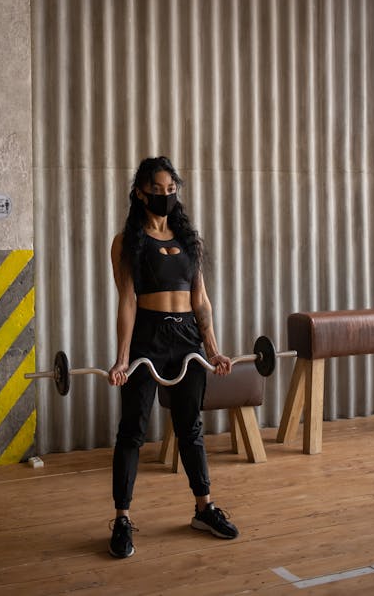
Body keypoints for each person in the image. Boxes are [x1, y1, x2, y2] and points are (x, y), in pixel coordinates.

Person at [108, 156, 239, 558]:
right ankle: (123, 518)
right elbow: (127, 301)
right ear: (139, 193)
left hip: (186, 339)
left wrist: (213, 349)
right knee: (132, 430)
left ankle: (204, 508)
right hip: (148, 337)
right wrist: (122, 358)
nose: (165, 197)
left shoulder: (188, 239)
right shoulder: (127, 242)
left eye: (171, 190)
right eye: (157, 191)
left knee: (191, 428)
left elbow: (200, 299)